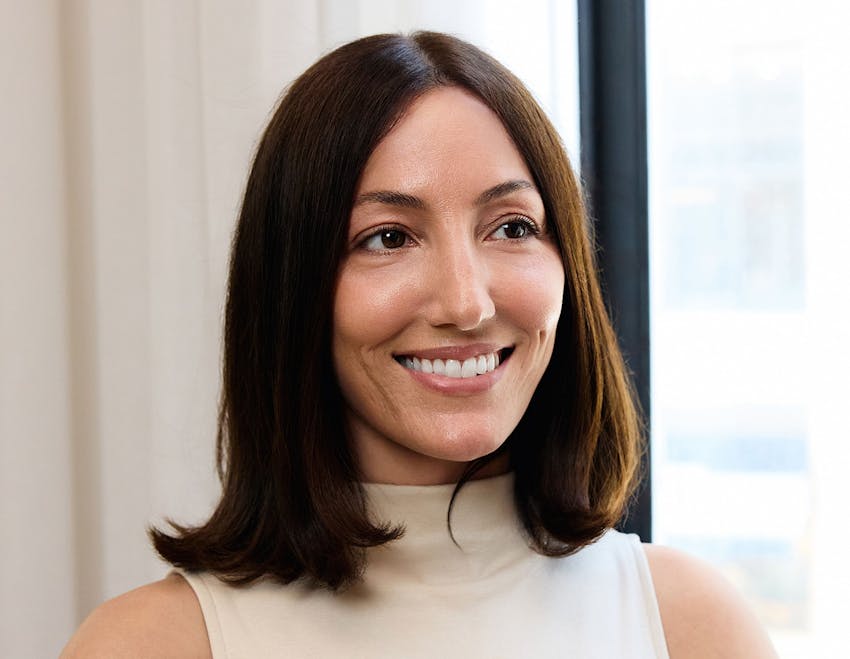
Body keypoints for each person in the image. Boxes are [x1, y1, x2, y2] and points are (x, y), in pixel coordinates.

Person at [63, 32, 777, 658]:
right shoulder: (150, 645)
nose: (467, 302)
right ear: (292, 288)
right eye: (388, 238)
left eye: (512, 227)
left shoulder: (693, 627)